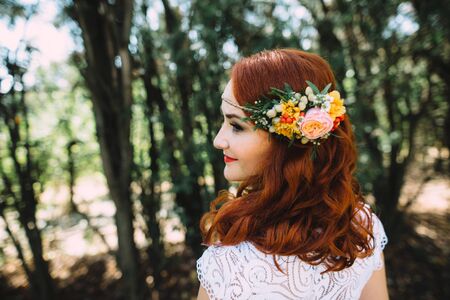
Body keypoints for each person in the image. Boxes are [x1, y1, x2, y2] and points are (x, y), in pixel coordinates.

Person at [196, 49, 389, 300]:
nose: (218, 140)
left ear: (285, 138)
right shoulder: (360, 227)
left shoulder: (230, 257)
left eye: (236, 126)